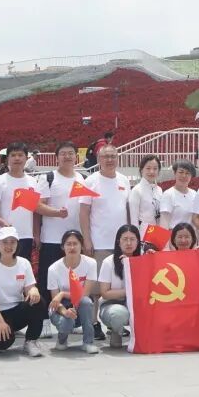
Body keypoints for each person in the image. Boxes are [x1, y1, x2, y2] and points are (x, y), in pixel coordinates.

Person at [78, 144, 131, 341]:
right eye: (105, 157)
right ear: (99, 159)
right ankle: (93, 324)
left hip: (121, 244)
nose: (109, 160)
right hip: (98, 243)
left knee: (118, 285)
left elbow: (127, 210)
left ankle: (114, 324)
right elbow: (84, 212)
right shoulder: (91, 181)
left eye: (113, 156)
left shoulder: (124, 180)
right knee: (95, 289)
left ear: (117, 158)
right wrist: (87, 239)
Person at [0, 226, 45, 357]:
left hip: (16, 310)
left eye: (12, 242)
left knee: (39, 301)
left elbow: (30, 287)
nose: (9, 246)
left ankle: (31, 341)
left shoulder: (24, 263)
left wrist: (34, 290)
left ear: (17, 244)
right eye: (5, 242)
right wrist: (0, 322)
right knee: (2, 345)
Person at [35, 141, 84, 298]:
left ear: (76, 157)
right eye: (63, 154)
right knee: (48, 281)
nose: (67, 156)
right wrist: (57, 213)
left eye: (70, 153)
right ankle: (47, 311)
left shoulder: (83, 178)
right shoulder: (48, 178)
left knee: (74, 281)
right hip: (52, 240)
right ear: (57, 158)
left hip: (76, 240)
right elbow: (37, 206)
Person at [46, 229, 99, 353]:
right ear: (62, 247)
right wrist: (65, 312)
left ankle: (88, 342)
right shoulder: (53, 269)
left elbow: (85, 294)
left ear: (82, 246)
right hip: (61, 307)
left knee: (86, 302)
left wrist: (63, 293)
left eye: (75, 244)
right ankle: (62, 340)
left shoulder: (91, 263)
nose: (72, 247)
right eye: (68, 244)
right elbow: (55, 301)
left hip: (80, 304)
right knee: (67, 322)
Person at [0, 141, 40, 260]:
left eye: (20, 155)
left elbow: (36, 211)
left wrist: (36, 234)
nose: (17, 158)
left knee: (22, 268)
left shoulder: (32, 182)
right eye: (13, 155)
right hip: (6, 235)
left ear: (26, 158)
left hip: (26, 235)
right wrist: (4, 224)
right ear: (8, 159)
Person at [98, 224, 142, 348]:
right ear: (119, 242)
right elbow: (105, 293)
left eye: (132, 239)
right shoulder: (109, 262)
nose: (129, 243)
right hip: (112, 303)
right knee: (119, 314)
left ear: (138, 242)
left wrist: (153, 258)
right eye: (125, 239)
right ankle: (116, 331)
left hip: (137, 303)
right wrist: (129, 290)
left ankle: (141, 334)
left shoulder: (143, 258)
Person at [129, 154, 164, 243]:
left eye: (155, 169)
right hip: (143, 233)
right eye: (148, 168)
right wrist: (136, 240)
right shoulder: (137, 190)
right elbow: (134, 219)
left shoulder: (159, 190)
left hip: (158, 232)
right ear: (141, 170)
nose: (151, 171)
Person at [161, 161, 198, 230]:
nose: (184, 176)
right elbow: (164, 224)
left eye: (187, 173)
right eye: (181, 172)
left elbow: (197, 221)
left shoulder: (194, 194)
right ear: (175, 173)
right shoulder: (168, 194)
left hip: (191, 235)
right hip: (174, 235)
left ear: (191, 176)